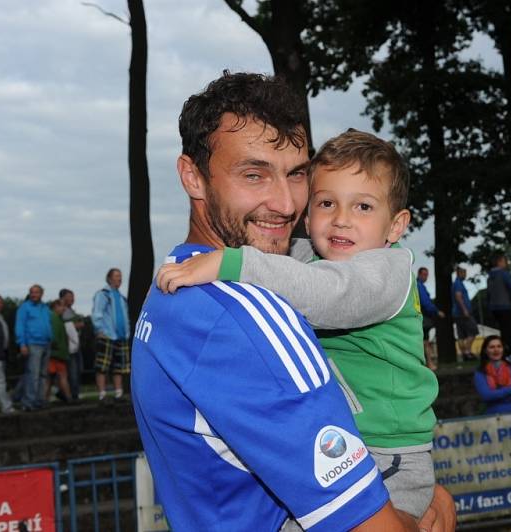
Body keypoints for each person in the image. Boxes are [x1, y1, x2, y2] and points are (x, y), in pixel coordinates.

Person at [132, 72, 454, 532]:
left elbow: (321, 282)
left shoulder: (174, 284)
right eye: (253, 174)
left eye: (296, 174)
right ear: (193, 177)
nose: (285, 204)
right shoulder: (247, 318)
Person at [92, 268, 131, 402]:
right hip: (107, 335)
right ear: (109, 278)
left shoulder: (121, 297)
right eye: (116, 276)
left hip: (121, 336)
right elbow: (97, 313)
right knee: (102, 366)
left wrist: (127, 332)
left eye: (120, 276)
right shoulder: (103, 294)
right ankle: (102, 395)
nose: (119, 279)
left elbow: (125, 317)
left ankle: (118, 394)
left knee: (119, 366)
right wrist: (100, 330)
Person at [14, 284, 52, 411]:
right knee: (33, 374)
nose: (34, 294)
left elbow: (48, 324)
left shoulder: (45, 308)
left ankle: (39, 401)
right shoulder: (24, 307)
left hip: (46, 343)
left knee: (43, 375)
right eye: (32, 292)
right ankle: (28, 402)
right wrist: (22, 343)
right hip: (33, 343)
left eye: (36, 292)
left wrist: (50, 337)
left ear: (41, 294)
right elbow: (20, 326)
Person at [487, 253, 511, 362]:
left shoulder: (490, 276)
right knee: (509, 331)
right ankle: (510, 353)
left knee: (503, 331)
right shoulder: (503, 274)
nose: (506, 263)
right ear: (499, 262)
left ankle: (504, 353)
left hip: (494, 308)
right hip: (504, 306)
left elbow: (489, 294)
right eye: (504, 261)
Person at [473, 335, 511, 414]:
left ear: (503, 349)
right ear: (485, 351)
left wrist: (495, 395)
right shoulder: (480, 373)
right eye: (492, 347)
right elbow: (486, 396)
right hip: (494, 416)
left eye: (499, 346)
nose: (496, 350)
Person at [45, 300, 73, 403]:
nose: (64, 309)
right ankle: (68, 397)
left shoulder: (55, 318)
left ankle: (45, 399)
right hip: (57, 353)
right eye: (62, 306)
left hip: (55, 353)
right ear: (55, 307)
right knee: (60, 376)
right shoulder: (55, 319)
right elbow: (54, 336)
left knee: (50, 378)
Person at [417, 266, 444, 370]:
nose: (426, 277)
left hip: (421, 317)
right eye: (424, 274)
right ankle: (429, 364)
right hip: (424, 317)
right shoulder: (419, 286)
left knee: (424, 341)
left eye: (427, 275)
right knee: (425, 341)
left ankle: (427, 363)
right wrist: (437, 311)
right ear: (419, 274)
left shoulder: (418, 285)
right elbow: (425, 302)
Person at [59, 289, 84, 400]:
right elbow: (63, 325)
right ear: (62, 298)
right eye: (69, 296)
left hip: (75, 345)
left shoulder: (71, 311)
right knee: (72, 371)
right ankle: (73, 394)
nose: (72, 299)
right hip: (69, 347)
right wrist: (75, 325)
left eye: (73, 296)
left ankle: (66, 392)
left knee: (77, 369)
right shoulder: (62, 311)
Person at [452, 267, 477, 362]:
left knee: (461, 335)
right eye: (464, 273)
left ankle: (464, 354)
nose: (465, 275)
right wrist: (464, 309)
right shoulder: (458, 284)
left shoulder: (456, 283)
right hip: (462, 313)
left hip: (457, 314)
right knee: (473, 331)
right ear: (460, 273)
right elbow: (458, 297)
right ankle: (467, 352)